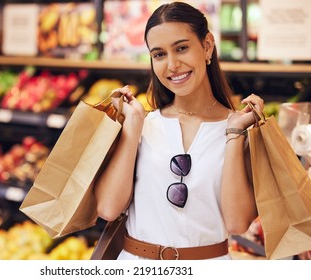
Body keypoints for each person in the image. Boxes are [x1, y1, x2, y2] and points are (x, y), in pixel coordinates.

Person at [94, 1, 264, 260]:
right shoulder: (141, 124)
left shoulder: (240, 128)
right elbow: (107, 208)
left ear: (207, 45)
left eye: (181, 48)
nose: (172, 65)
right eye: (159, 54)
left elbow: (237, 223)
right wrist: (133, 125)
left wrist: (234, 134)